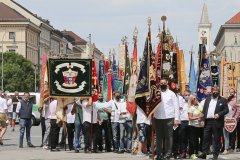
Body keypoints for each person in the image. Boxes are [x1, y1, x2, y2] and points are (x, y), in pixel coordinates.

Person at [198, 86, 229, 160]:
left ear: (218, 91)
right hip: (208, 121)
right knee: (205, 138)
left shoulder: (223, 100)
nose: (215, 92)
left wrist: (219, 114)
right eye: (213, 90)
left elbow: (226, 110)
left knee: (216, 139)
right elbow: (204, 110)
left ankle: (215, 154)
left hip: (217, 122)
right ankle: (204, 153)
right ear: (212, 91)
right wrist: (202, 119)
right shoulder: (208, 99)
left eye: (216, 91)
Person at [154, 78, 180, 160]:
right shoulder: (156, 93)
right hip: (157, 117)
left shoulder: (172, 94)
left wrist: (176, 119)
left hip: (169, 118)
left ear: (167, 83)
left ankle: (168, 154)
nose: (162, 84)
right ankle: (158, 154)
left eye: (164, 83)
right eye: (161, 83)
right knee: (158, 137)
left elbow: (176, 107)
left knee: (169, 137)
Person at [188, 94, 204, 159]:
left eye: (196, 98)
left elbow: (203, 113)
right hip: (193, 126)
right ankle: (192, 153)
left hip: (200, 125)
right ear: (191, 100)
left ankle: (198, 151)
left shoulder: (200, 105)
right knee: (193, 140)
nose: (195, 99)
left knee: (200, 139)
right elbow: (190, 117)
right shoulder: (190, 107)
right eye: (194, 99)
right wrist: (198, 117)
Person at [178, 90, 190, 159]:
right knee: (183, 138)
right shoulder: (181, 102)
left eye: (188, 95)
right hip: (182, 121)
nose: (187, 96)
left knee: (190, 138)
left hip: (190, 122)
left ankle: (190, 151)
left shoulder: (191, 102)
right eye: (186, 95)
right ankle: (183, 152)